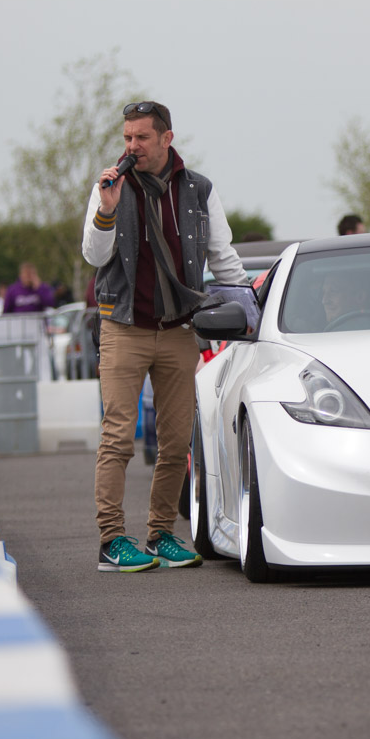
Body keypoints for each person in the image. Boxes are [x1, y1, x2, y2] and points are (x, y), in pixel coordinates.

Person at [82, 100, 248, 573]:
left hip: (178, 328)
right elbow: (94, 256)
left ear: (166, 138)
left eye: (141, 137)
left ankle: (160, 535)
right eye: (127, 137)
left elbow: (223, 256)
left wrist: (248, 307)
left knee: (176, 442)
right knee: (118, 438)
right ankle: (112, 541)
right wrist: (107, 210)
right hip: (123, 328)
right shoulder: (109, 186)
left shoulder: (198, 189)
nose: (131, 146)